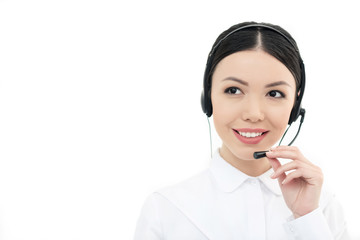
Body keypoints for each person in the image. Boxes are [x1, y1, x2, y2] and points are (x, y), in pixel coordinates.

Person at [133, 21, 350, 240]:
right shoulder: (165, 210)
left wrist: (307, 219)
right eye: (233, 90)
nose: (253, 113)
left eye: (274, 93)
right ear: (208, 98)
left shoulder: (322, 208)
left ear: (295, 106)